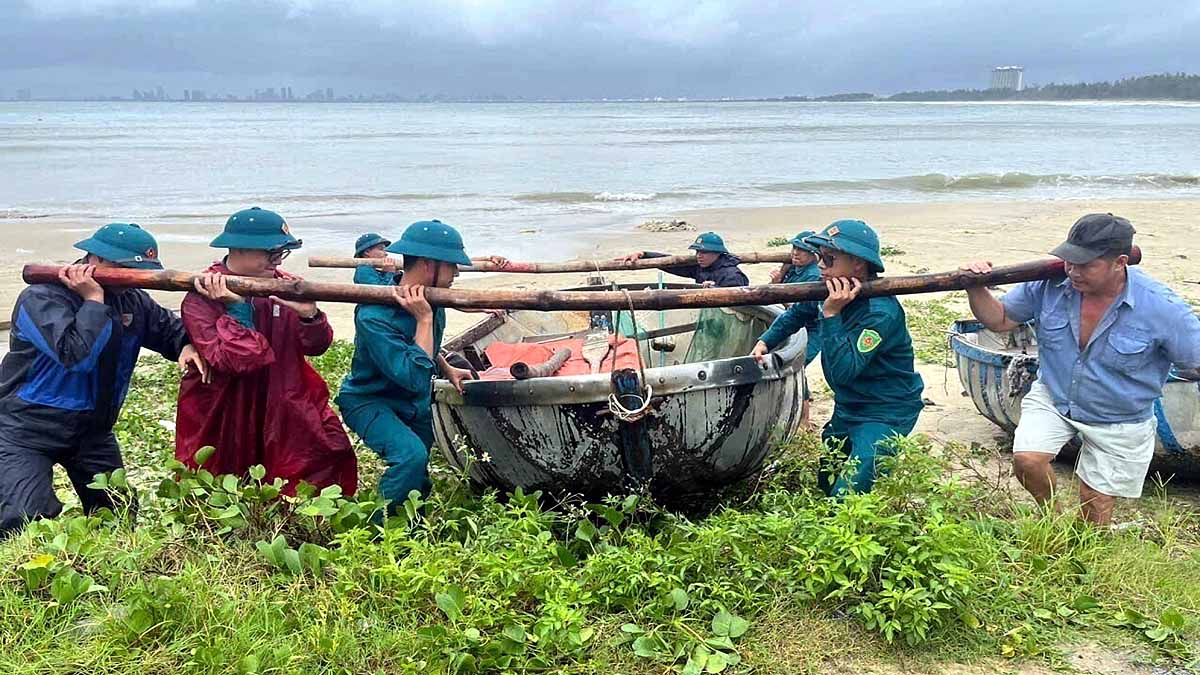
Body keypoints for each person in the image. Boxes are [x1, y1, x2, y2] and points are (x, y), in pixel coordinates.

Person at [961, 214, 1200, 525]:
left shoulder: (1163, 308)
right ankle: (1052, 519)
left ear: (1120, 262)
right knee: (1028, 460)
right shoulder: (1050, 283)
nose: (1073, 270)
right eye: (1069, 260)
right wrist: (976, 287)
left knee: (1095, 506)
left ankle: (1085, 552)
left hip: (1120, 416)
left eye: (1086, 264)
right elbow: (1001, 320)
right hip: (1056, 397)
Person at [0, 224, 205, 537]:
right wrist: (93, 301)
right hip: (25, 429)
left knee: (117, 513)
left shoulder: (132, 301)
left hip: (92, 430)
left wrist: (184, 343)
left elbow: (168, 328)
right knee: (25, 519)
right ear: (93, 259)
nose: (130, 277)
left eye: (139, 270)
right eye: (123, 268)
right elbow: (76, 356)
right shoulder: (40, 299)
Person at [175, 207, 357, 494]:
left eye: (281, 253)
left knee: (325, 453)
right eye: (270, 253)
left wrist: (310, 315)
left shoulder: (285, 284)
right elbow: (237, 360)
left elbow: (317, 345)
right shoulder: (202, 298)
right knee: (222, 475)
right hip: (225, 402)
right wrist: (237, 308)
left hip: (284, 391)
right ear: (238, 248)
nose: (276, 260)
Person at [753, 220, 924, 495]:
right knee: (828, 479)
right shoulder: (829, 291)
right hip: (850, 404)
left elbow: (843, 371)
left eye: (829, 259)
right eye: (820, 258)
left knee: (850, 492)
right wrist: (765, 341)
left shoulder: (880, 313)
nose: (821, 266)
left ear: (857, 264)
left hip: (886, 409)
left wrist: (832, 315)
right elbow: (797, 313)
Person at [336, 220, 477, 510]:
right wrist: (424, 320)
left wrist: (446, 367)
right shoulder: (373, 316)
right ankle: (378, 536)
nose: (456, 273)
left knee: (419, 470)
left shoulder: (429, 298)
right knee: (409, 457)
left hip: (412, 401)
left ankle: (413, 529)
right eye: (452, 266)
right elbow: (413, 376)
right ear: (428, 265)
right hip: (370, 400)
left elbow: (422, 349)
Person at [750, 230, 823, 427]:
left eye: (803, 250)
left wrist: (779, 290)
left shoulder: (814, 276)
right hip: (792, 324)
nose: (796, 253)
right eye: (794, 248)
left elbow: (798, 310)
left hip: (812, 330)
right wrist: (778, 280)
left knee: (797, 367)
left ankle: (804, 421)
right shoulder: (793, 270)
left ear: (815, 255)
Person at [619, 232, 749, 287]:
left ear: (718, 253)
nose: (699, 255)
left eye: (704, 252)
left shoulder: (731, 275)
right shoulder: (700, 267)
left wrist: (717, 290)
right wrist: (644, 254)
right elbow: (672, 264)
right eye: (697, 251)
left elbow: (741, 304)